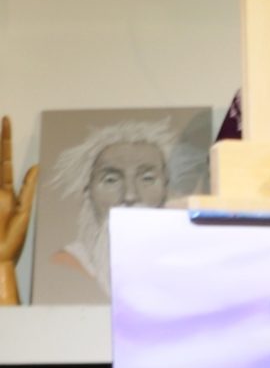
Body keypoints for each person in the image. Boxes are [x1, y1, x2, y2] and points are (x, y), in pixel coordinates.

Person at [38, 117, 196, 303]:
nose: (130, 195)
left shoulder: (190, 266)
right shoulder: (67, 265)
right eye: (111, 180)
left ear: (166, 187)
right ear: (88, 191)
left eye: (147, 178)